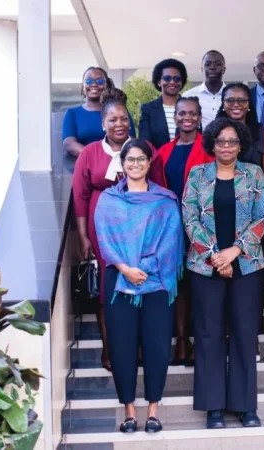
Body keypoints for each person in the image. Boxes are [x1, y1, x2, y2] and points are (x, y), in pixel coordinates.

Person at [182, 118, 264, 429]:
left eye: (232, 141)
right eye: (221, 141)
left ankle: (245, 406)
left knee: (245, 333)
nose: (227, 147)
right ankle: (213, 406)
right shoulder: (197, 175)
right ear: (212, 144)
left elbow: (263, 218)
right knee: (209, 335)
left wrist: (234, 252)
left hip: (246, 265)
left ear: (241, 144)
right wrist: (216, 256)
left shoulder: (254, 174)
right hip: (205, 266)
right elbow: (190, 217)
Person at [94, 139, 183, 434]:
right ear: (122, 163)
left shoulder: (165, 200)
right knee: (122, 347)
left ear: (148, 162)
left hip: (156, 281)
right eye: (129, 160)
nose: (135, 164)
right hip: (119, 281)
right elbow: (105, 239)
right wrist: (125, 268)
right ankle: (129, 411)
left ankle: (154, 411)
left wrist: (142, 268)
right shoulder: (109, 200)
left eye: (140, 159)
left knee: (157, 346)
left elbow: (171, 241)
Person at [73, 88, 164, 372]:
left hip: (142, 229)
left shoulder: (144, 149)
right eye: (112, 120)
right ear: (103, 123)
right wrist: (83, 236)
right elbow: (80, 195)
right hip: (103, 231)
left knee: (140, 282)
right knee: (109, 288)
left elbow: (160, 189)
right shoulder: (89, 153)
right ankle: (110, 348)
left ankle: (136, 348)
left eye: (123, 119)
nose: (119, 124)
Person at [157, 96, 214, 365]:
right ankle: (181, 341)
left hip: (204, 226)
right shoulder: (163, 151)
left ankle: (202, 341)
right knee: (177, 285)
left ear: (200, 117)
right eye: (182, 113)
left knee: (200, 284)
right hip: (171, 227)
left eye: (192, 113)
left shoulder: (210, 148)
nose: (187, 117)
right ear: (175, 117)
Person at [62, 67, 136, 157]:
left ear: (106, 85)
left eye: (100, 81)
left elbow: (131, 140)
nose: (94, 84)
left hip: (117, 163)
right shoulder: (72, 113)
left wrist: (114, 157)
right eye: (89, 81)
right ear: (83, 86)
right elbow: (69, 143)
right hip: (84, 164)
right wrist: (96, 158)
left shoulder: (120, 111)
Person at [215, 83, 264, 187]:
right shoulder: (214, 131)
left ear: (249, 104)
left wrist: (261, 201)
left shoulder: (262, 133)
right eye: (230, 100)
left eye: (242, 100)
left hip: (254, 197)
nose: (236, 104)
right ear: (223, 104)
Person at [139, 58, 188, 150]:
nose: (172, 82)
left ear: (181, 82)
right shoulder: (148, 109)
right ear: (158, 82)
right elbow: (145, 142)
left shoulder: (191, 107)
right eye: (167, 78)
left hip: (189, 162)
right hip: (158, 161)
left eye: (176, 78)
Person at [181, 50, 226, 129]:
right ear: (202, 69)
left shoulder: (232, 96)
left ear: (224, 69)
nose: (212, 67)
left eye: (218, 64)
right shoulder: (188, 96)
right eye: (208, 64)